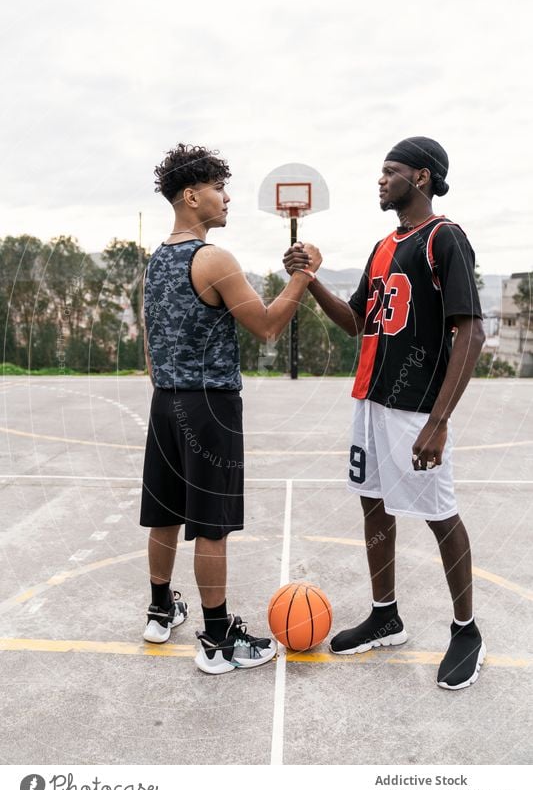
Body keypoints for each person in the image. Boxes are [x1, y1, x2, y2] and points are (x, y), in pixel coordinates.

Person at [284, 137, 486, 689]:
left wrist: (438, 422)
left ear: (420, 178)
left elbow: (472, 331)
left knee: (440, 514)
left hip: (415, 407)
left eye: (390, 171)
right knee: (374, 505)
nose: (380, 180)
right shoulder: (382, 246)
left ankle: (467, 630)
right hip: (370, 400)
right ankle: (385, 614)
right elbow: (355, 322)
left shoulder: (445, 239)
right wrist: (308, 280)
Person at [140, 142, 321, 675]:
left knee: (164, 514)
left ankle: (159, 610)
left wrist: (169, 389)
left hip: (165, 400)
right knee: (211, 526)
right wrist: (303, 276)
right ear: (191, 196)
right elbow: (266, 326)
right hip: (209, 407)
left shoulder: (154, 261)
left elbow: (151, 344)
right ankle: (218, 641)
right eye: (219, 189)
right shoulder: (213, 258)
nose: (226, 199)